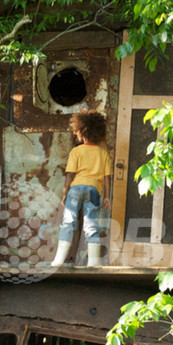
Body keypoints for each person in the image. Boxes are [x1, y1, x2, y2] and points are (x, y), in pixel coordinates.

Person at [51, 110, 112, 266]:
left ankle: (58, 260)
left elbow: (70, 175)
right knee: (92, 225)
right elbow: (107, 177)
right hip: (93, 190)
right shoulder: (103, 154)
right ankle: (93, 262)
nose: (76, 133)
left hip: (76, 189)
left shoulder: (76, 151)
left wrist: (64, 194)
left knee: (68, 222)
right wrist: (106, 197)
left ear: (82, 132)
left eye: (77, 131)